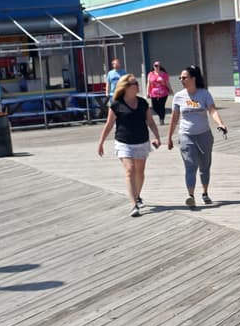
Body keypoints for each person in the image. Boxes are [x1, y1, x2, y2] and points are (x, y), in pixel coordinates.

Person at [97, 73, 162, 217]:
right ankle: (133, 205)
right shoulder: (116, 104)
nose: (138, 86)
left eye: (137, 83)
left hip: (141, 141)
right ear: (126, 87)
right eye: (135, 84)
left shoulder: (143, 103)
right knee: (130, 170)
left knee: (140, 172)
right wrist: (101, 142)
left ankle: (137, 196)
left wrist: (157, 137)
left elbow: (150, 122)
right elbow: (109, 125)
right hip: (123, 142)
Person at [166, 65, 226, 209]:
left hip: (204, 135)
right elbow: (174, 119)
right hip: (186, 135)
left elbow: (212, 110)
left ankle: (205, 193)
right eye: (180, 77)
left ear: (193, 78)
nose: (181, 79)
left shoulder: (204, 94)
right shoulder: (178, 96)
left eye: (184, 77)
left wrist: (221, 124)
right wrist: (169, 138)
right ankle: (190, 196)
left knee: (204, 166)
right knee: (190, 166)